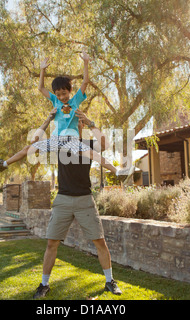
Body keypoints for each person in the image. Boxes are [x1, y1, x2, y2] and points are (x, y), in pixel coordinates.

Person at [0, 52, 134, 180]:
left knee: (93, 155)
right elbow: (41, 88)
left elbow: (85, 81)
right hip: (56, 140)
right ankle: (4, 164)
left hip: (72, 140)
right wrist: (42, 70)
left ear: (70, 91)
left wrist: (86, 62)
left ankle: (117, 172)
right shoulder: (55, 101)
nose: (62, 97)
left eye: (64, 93)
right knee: (28, 148)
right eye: (58, 94)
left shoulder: (75, 100)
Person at [32, 108, 123, 299]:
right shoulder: (61, 143)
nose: (75, 126)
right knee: (51, 243)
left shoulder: (88, 144)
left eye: (78, 123)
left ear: (80, 125)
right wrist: (48, 119)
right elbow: (35, 143)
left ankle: (109, 281)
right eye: (73, 124)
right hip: (63, 199)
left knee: (100, 241)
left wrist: (90, 122)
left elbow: (105, 144)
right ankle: (44, 284)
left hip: (85, 199)